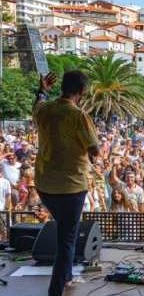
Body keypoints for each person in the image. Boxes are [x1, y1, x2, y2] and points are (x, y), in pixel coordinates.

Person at [33, 71, 99, 296]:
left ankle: (67, 275)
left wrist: (42, 89)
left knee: (64, 230)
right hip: (70, 186)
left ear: (62, 87)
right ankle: (56, 289)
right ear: (81, 91)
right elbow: (94, 149)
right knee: (67, 240)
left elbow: (38, 104)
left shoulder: (45, 109)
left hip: (44, 184)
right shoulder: (78, 115)